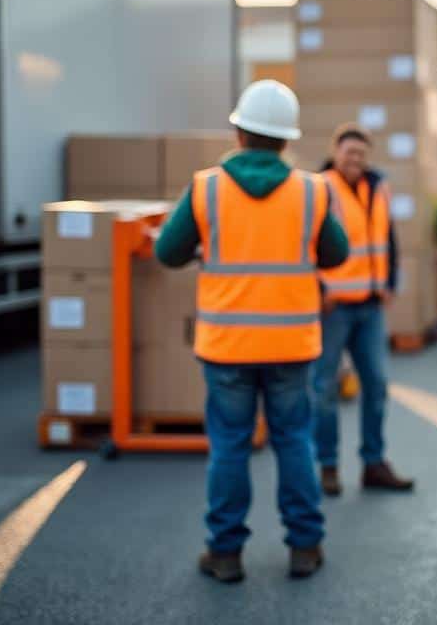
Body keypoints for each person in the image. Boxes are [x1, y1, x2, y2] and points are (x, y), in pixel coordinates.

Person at [154, 80, 348, 583]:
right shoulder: (312, 190)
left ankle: (224, 553)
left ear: (238, 131)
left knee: (230, 447)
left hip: (226, 346)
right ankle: (305, 547)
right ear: (286, 140)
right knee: (294, 441)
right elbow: (337, 254)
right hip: (291, 344)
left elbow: (167, 252)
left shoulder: (206, 187)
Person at [311, 124, 415, 496]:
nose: (354, 160)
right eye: (348, 153)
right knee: (323, 388)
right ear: (335, 153)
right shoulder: (319, 188)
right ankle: (327, 466)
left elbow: (388, 238)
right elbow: (306, 243)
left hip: (370, 305)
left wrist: (388, 282)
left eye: (360, 154)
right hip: (333, 305)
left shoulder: (378, 186)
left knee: (377, 385)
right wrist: (318, 287)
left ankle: (373, 463)